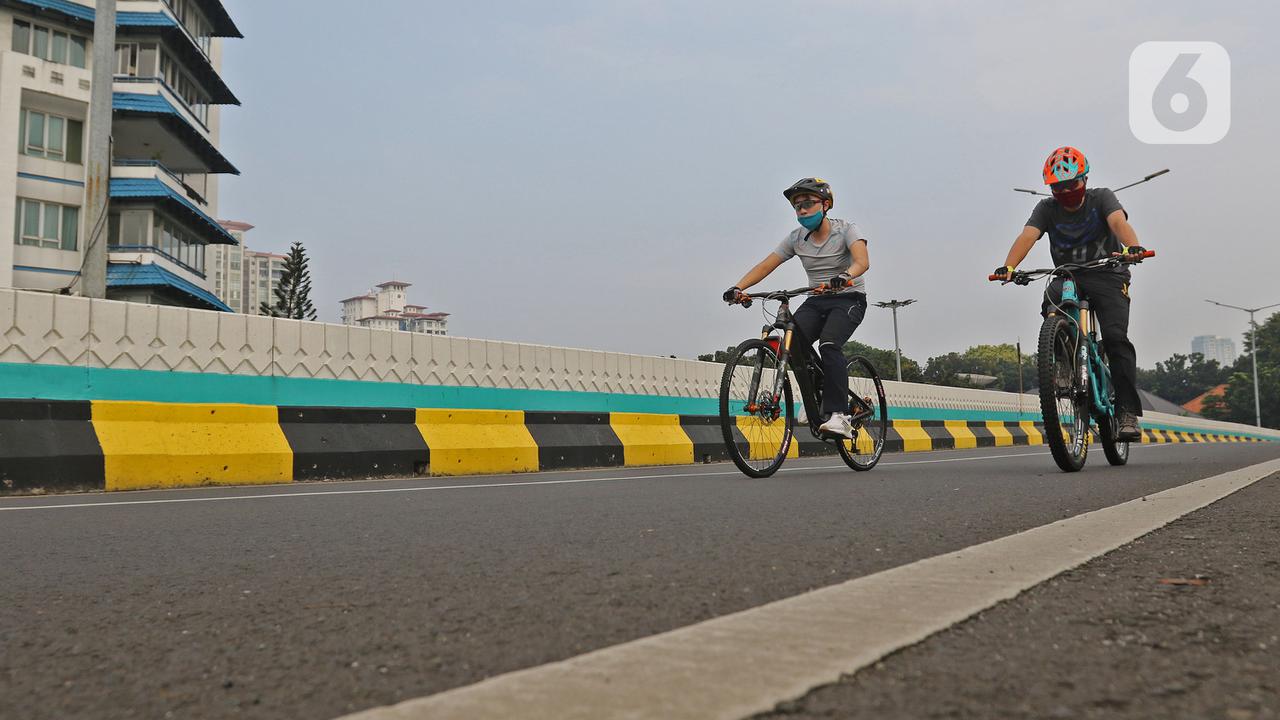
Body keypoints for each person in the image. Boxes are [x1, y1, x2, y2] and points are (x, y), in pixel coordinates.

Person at [992, 147, 1149, 440]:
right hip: (1068, 275)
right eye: (1057, 187)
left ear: (1084, 180)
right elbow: (1028, 235)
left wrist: (1132, 247)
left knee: (1115, 338)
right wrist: (1009, 266)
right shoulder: (1046, 209)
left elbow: (1117, 222)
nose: (1064, 191)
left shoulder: (1102, 197)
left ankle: (1127, 411)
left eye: (1070, 184)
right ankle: (1064, 362)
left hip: (1108, 272)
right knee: (1052, 304)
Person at [723, 177, 871, 439]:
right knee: (793, 346)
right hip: (816, 300)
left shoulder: (846, 229)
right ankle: (817, 400)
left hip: (849, 298)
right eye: (797, 206)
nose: (801, 211)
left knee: (828, 344)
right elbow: (766, 265)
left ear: (825, 205)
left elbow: (862, 261)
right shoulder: (796, 238)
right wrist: (738, 288)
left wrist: (845, 275)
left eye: (807, 204)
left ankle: (839, 415)